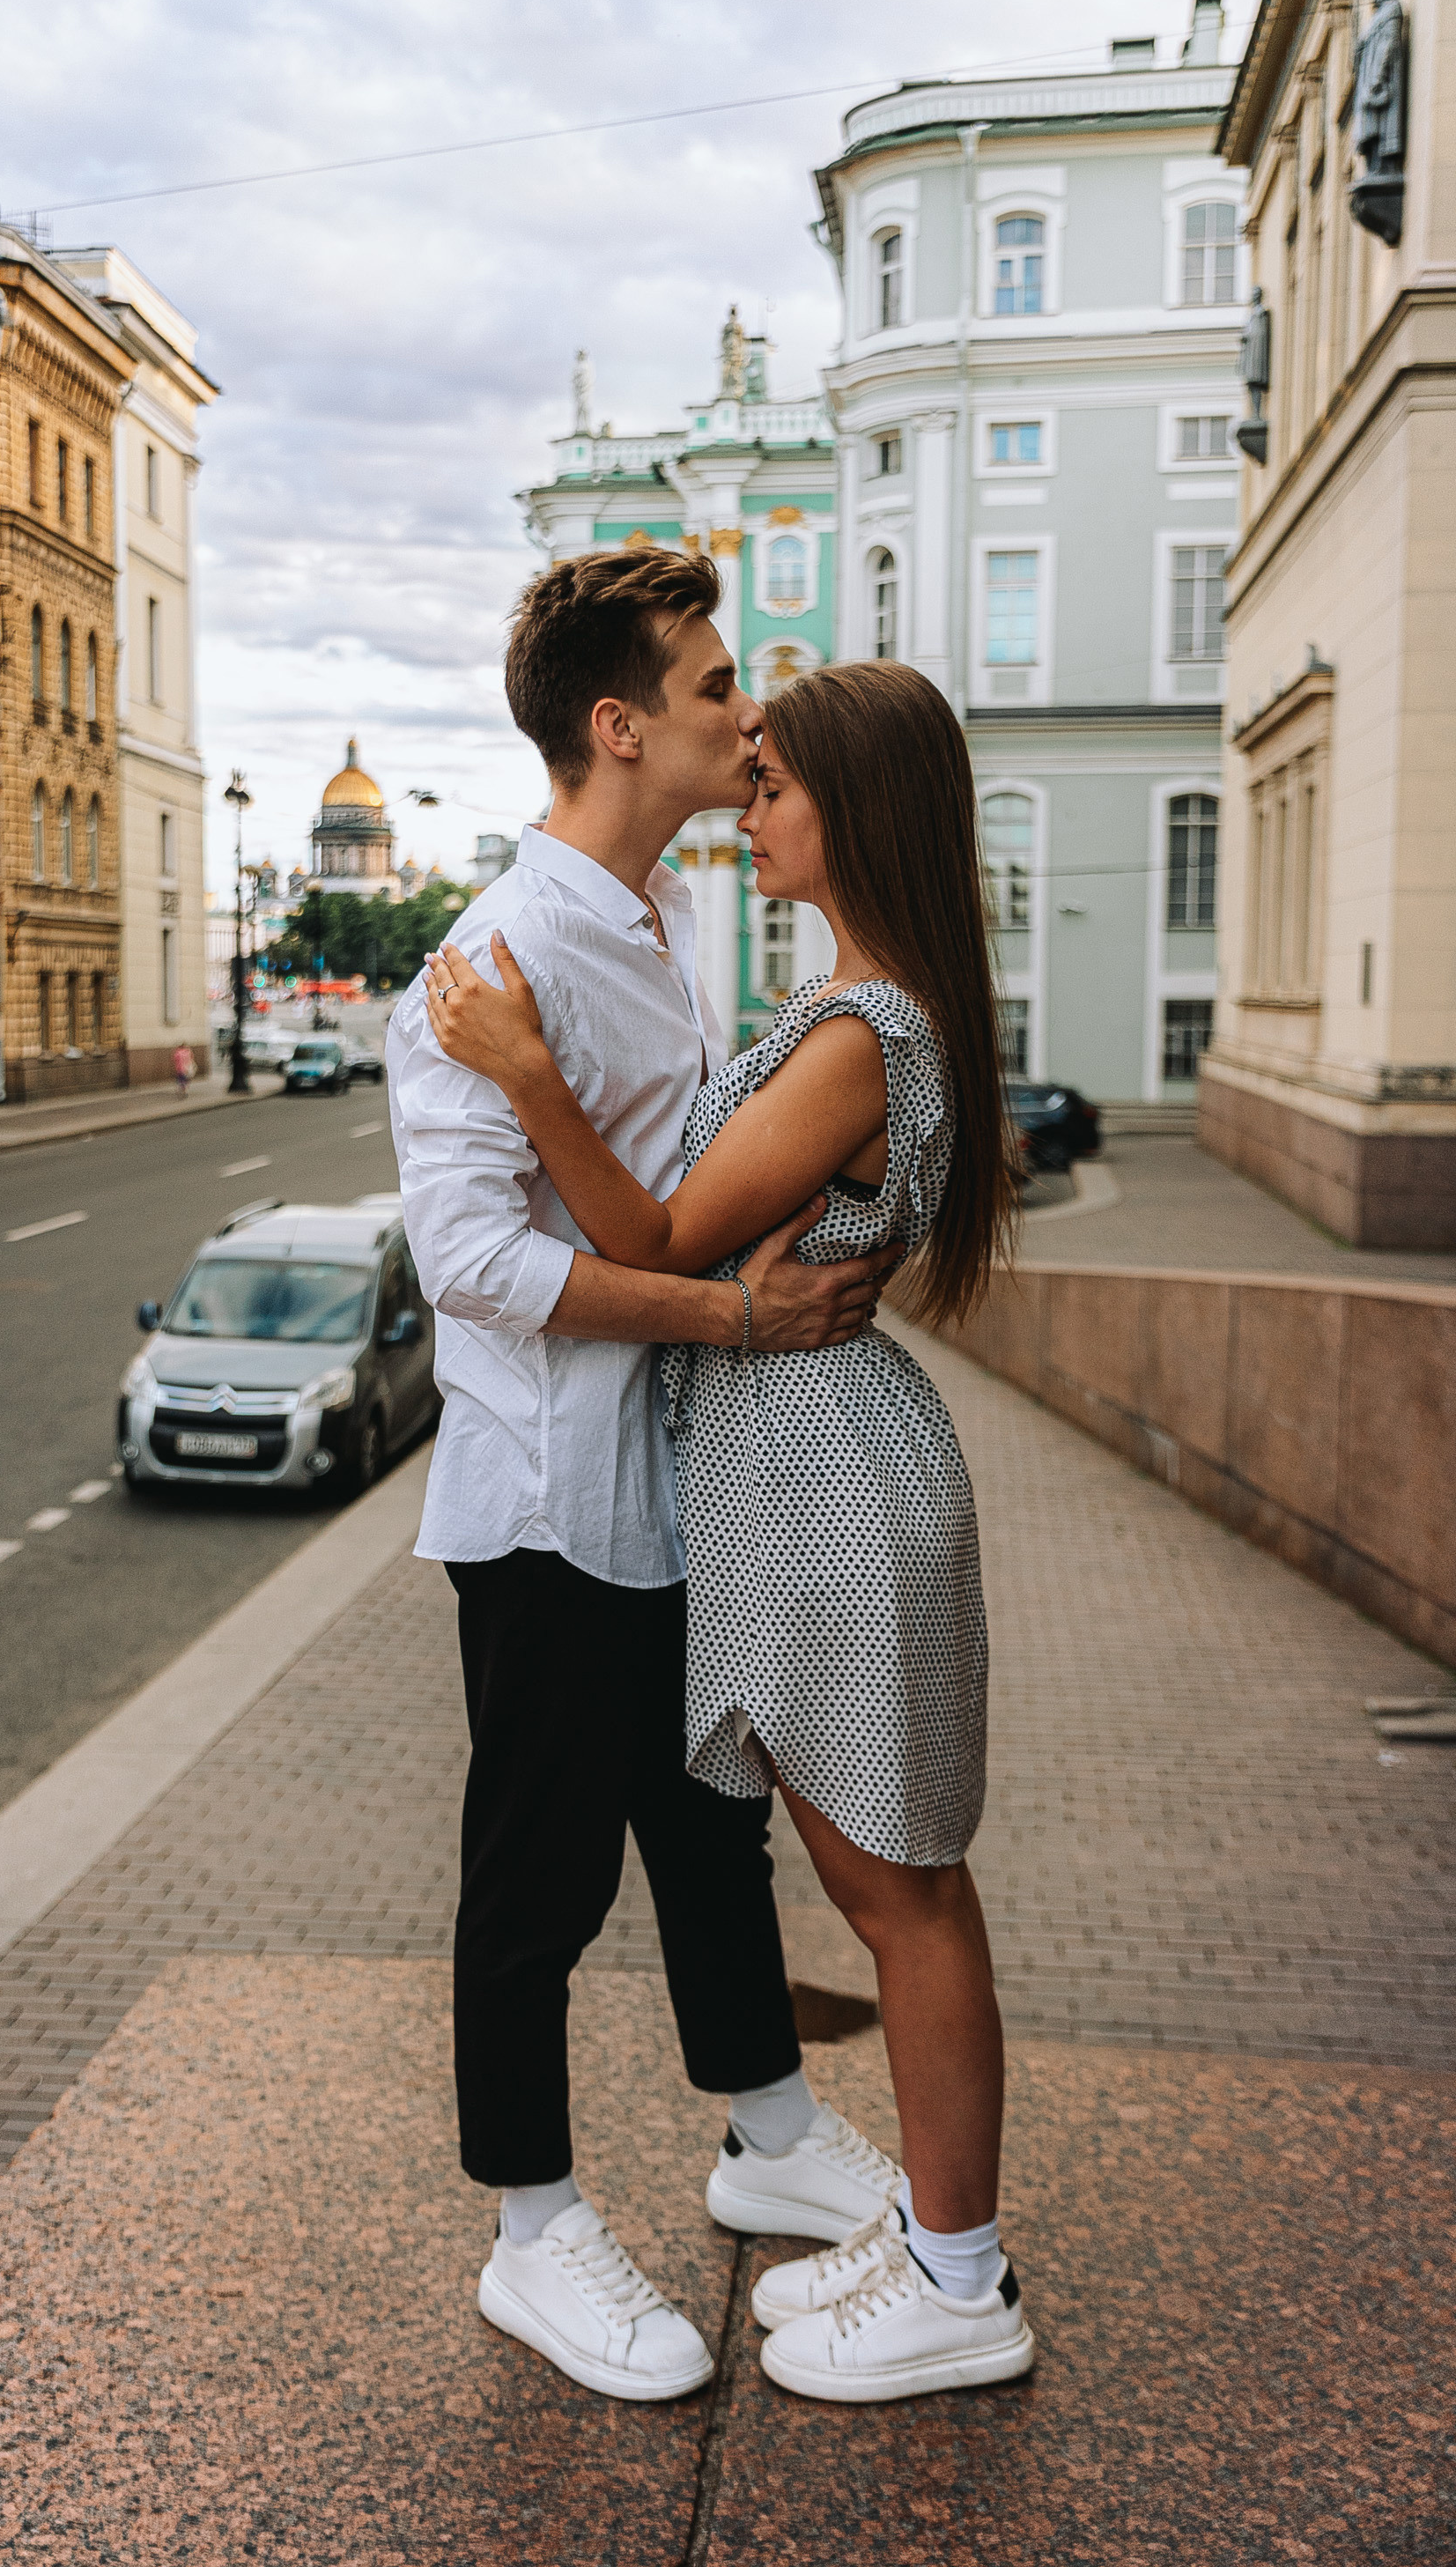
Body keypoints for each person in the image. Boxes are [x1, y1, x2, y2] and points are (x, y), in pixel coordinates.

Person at [425, 655, 1035, 2406]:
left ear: (851, 811)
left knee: (894, 1894)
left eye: (771, 784)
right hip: (792, 1474)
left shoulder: (861, 1031)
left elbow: (660, 1233)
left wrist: (526, 1074)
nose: (744, 805)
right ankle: (930, 2240)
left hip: (829, 1479)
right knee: (879, 1879)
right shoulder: (844, 1000)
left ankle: (956, 2277)